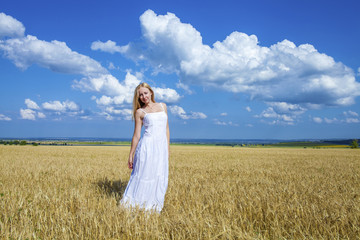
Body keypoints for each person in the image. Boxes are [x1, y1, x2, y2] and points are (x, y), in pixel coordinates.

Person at [120, 82, 170, 213]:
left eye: (145, 93)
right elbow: (136, 135)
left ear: (151, 92)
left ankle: (153, 206)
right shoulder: (139, 112)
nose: (143, 96)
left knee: (159, 175)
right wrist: (131, 155)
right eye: (140, 95)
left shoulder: (163, 106)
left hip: (161, 148)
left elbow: (166, 129)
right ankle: (138, 206)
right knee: (144, 175)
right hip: (147, 148)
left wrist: (167, 149)